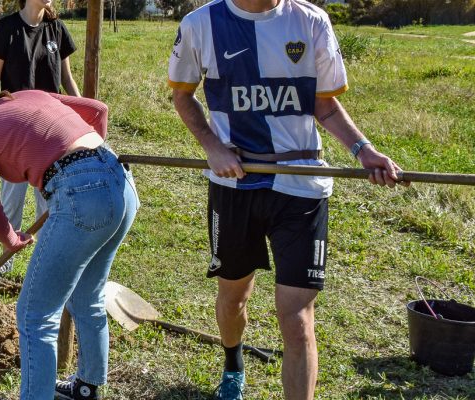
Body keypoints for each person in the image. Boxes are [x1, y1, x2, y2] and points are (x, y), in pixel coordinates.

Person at [167, 0, 406, 398]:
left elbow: (323, 104)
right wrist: (212, 146)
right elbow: (183, 95)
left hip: (301, 185)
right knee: (233, 298)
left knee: (296, 318)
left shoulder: (311, 21)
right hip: (235, 186)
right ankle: (233, 365)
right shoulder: (200, 24)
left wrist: (363, 150)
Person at [0, 67, 138, 400]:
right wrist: (93, 162)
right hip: (121, 181)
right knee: (87, 296)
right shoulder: (26, 95)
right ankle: (86, 388)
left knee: (34, 314)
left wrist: (12, 240)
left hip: (84, 194)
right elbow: (98, 110)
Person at [0, 0, 81, 276]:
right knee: (12, 200)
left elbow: (67, 77)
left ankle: (46, 264)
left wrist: (83, 112)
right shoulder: (7, 28)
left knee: (49, 202)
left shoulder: (57, 29)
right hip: (15, 130)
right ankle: (5, 262)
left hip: (51, 131)